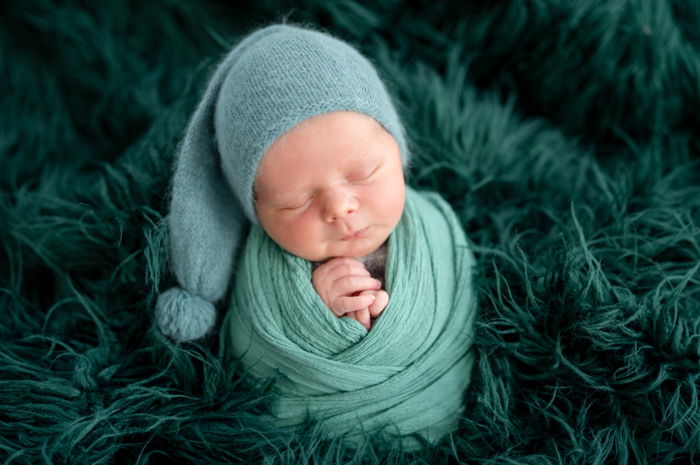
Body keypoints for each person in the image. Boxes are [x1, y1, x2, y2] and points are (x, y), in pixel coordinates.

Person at [155, 23, 477, 449]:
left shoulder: (434, 223)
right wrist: (319, 313)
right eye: (295, 203)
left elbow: (463, 286)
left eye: (364, 174)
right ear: (257, 214)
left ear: (397, 151)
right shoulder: (264, 269)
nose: (340, 208)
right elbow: (254, 350)